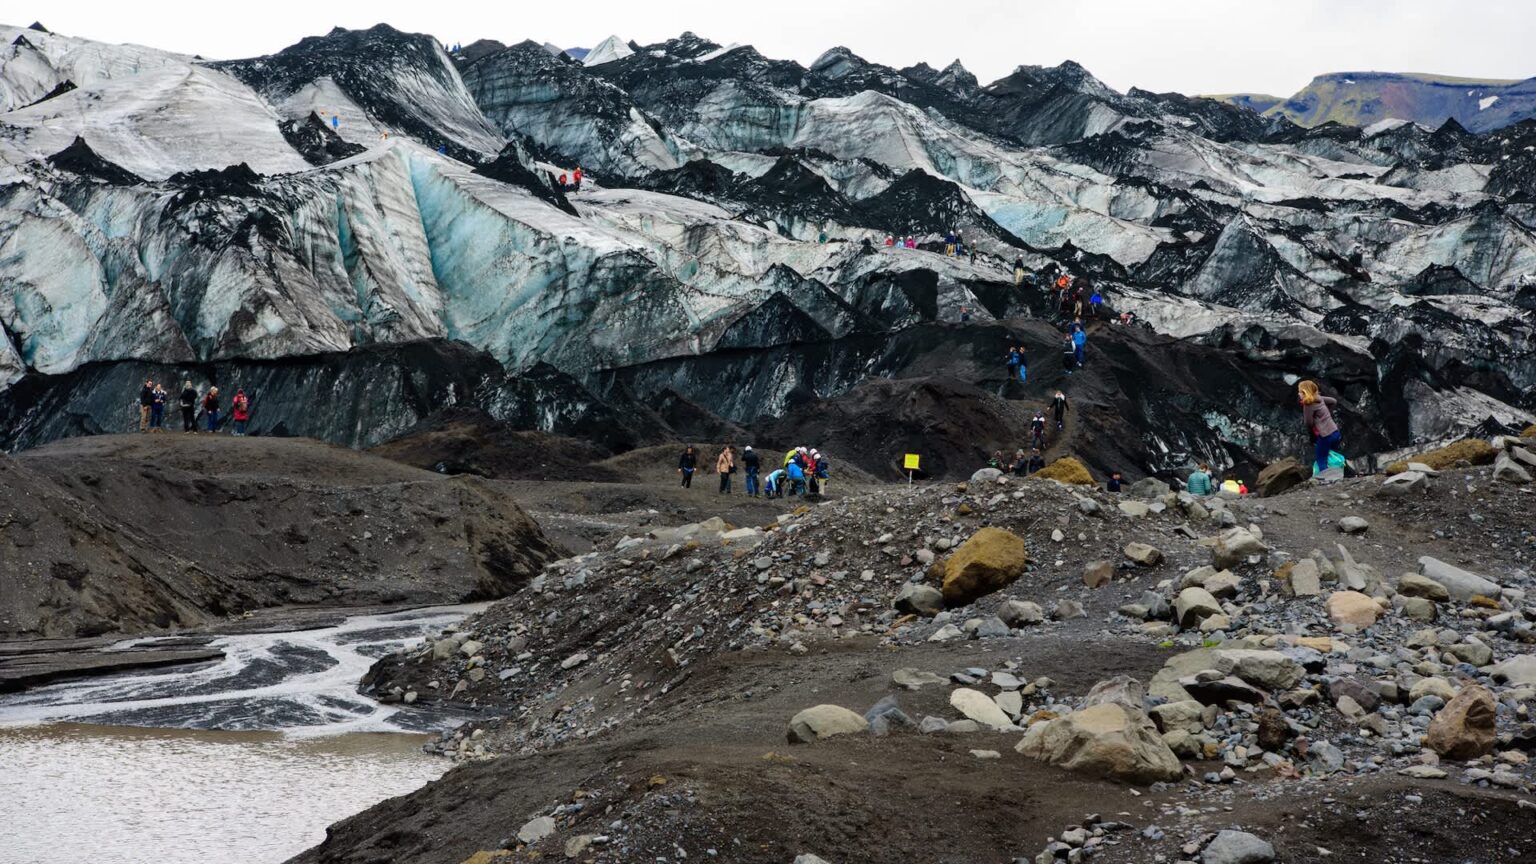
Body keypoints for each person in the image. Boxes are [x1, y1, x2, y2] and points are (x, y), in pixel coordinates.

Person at [1298, 379, 1342, 475]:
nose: (1299, 394)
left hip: (1325, 436)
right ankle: (1339, 473)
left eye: (1300, 391)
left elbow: (1308, 423)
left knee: (1321, 460)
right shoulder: (1319, 398)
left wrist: (1312, 437)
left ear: (1305, 392)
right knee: (1331, 455)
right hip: (1335, 432)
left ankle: (1327, 481)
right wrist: (1327, 415)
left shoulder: (1308, 404)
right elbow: (1334, 401)